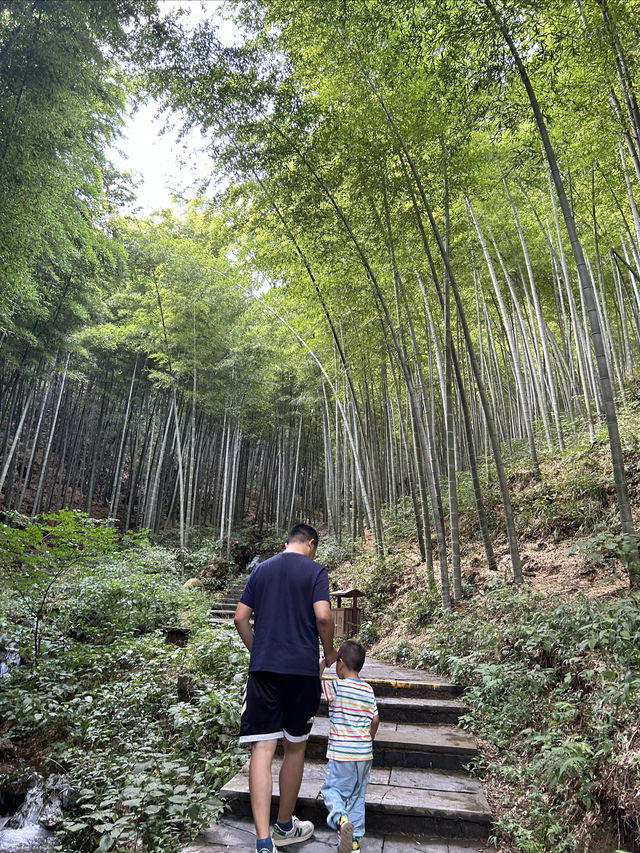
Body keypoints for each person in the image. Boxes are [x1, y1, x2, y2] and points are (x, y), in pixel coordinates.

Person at [234, 523, 338, 853]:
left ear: (286, 542)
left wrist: (259, 650)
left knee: (262, 751)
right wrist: (330, 650)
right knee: (295, 747)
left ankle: (263, 842)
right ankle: (284, 825)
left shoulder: (261, 570)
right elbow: (323, 617)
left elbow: (240, 618)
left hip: (264, 672)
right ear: (311, 543)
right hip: (302, 673)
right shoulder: (315, 570)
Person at [319, 640, 379, 853]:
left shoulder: (336, 686)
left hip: (341, 754)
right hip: (363, 755)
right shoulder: (368, 690)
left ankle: (341, 820)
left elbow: (313, 681)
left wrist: (327, 659)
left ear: (341, 663)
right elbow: (375, 720)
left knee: (332, 790)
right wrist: (367, 740)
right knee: (357, 797)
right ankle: (353, 843)